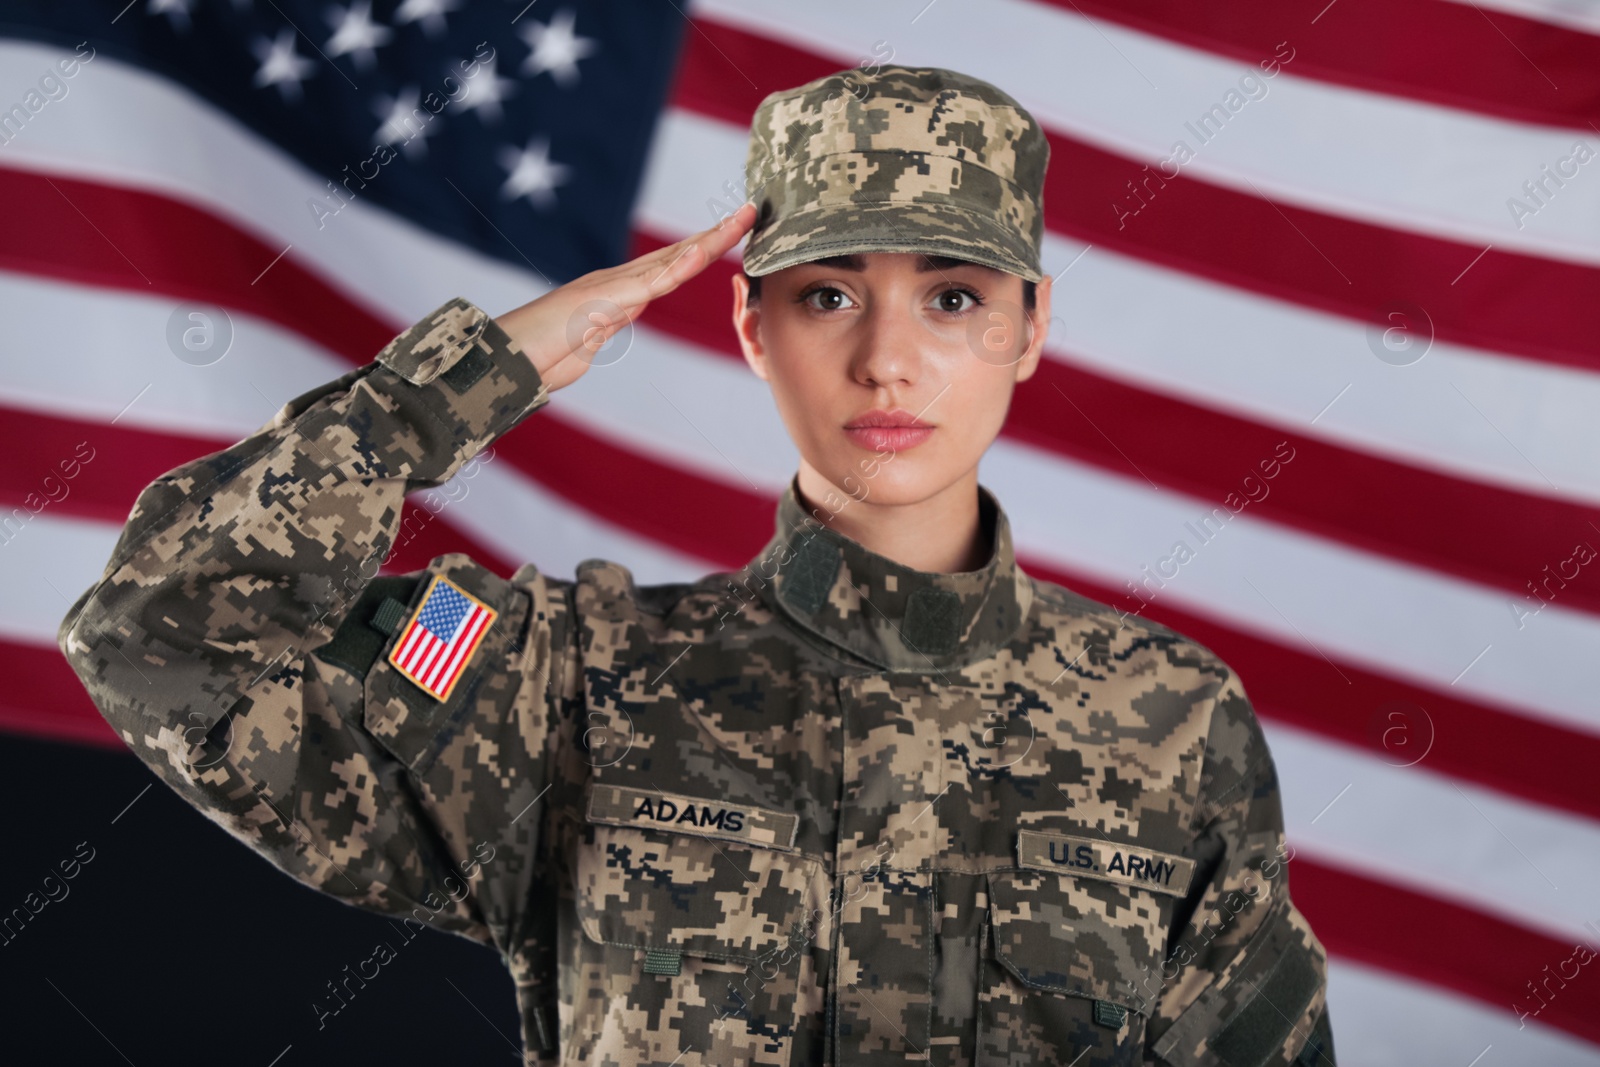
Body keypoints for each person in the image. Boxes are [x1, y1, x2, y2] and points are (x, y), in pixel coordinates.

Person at [58, 65, 1334, 1066]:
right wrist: (444, 390)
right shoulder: (568, 682)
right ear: (749, 323)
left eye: (953, 297)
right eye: (828, 294)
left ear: (1031, 326)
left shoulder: (1171, 718)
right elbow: (156, 639)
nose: (888, 359)